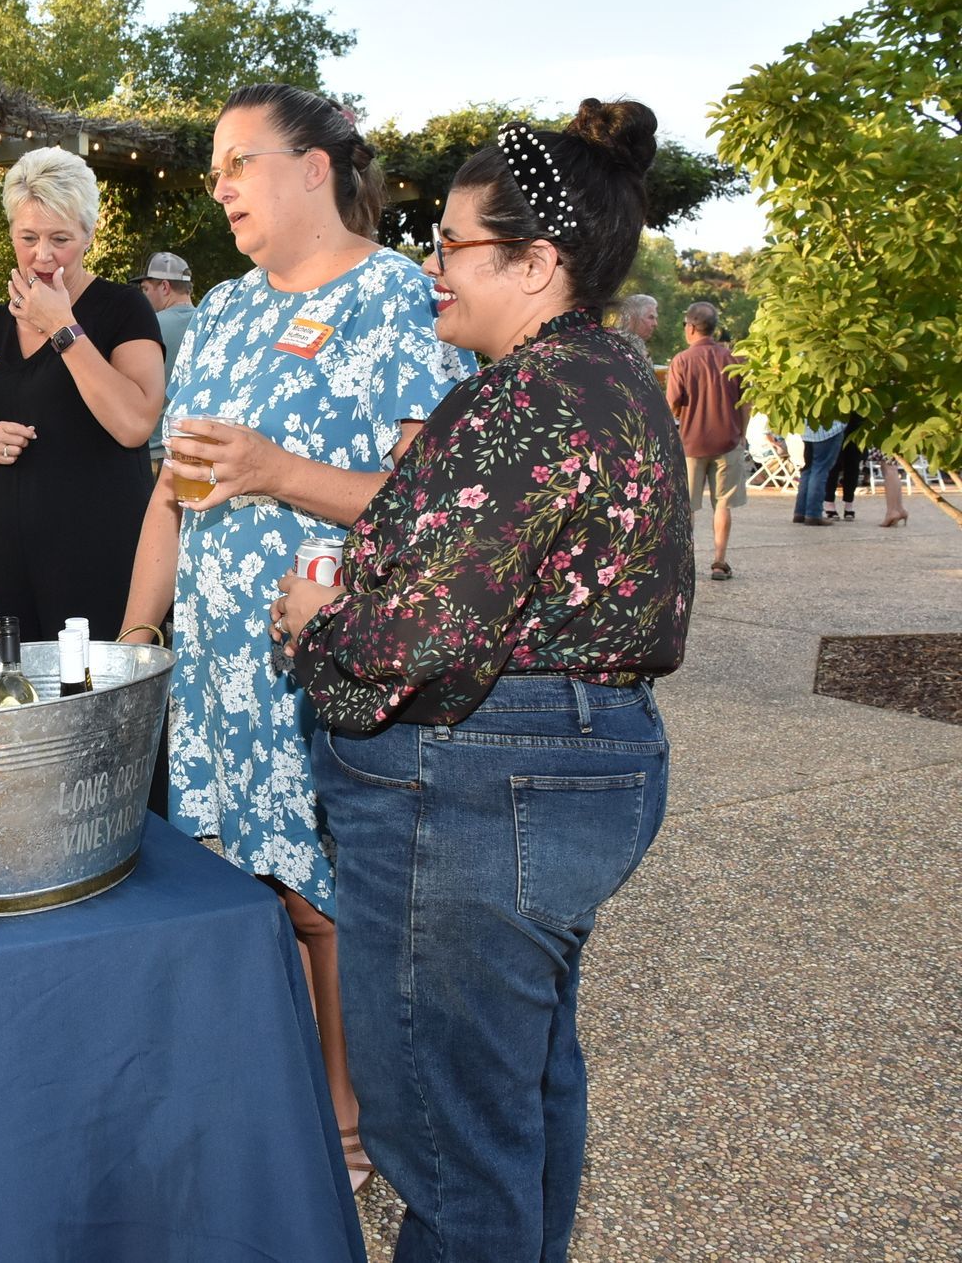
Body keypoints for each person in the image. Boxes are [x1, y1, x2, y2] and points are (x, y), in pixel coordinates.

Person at [276, 100, 692, 1262]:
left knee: (454, 1148)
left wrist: (316, 624)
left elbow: (419, 639)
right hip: (571, 761)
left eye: (453, 244)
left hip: (471, 781)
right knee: (520, 1098)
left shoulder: (522, 395)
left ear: (537, 261)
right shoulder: (614, 373)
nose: (432, 267)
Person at [120, 82, 473, 1195]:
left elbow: (437, 509)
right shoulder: (220, 310)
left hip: (328, 661)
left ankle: (350, 1119)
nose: (219, 185)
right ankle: (265, 1094)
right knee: (237, 880)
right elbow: (171, 495)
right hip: (219, 666)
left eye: (240, 162)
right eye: (214, 167)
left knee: (325, 896)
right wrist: (140, 630)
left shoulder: (399, 300)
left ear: (314, 168)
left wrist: (279, 473)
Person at [0, 147, 165, 640]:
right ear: (11, 236)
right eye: (29, 238)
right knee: (8, 704)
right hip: (0, 570)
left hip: (97, 564)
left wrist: (62, 326)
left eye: (60, 239)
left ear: (88, 235)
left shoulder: (122, 309)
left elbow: (135, 425)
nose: (43, 255)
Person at [667, 300, 750, 579]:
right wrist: (743, 434)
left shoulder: (682, 360)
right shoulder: (734, 360)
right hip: (728, 440)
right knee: (723, 504)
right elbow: (745, 402)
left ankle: (683, 562)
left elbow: (672, 404)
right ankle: (719, 560)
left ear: (690, 327)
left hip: (691, 442)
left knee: (687, 506)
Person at [131, 251, 198, 465]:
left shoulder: (147, 326)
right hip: (197, 451)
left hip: (155, 453)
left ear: (165, 287)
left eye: (145, 289)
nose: (143, 296)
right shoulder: (210, 325)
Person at [794, 417, 847, 525]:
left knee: (808, 470)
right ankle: (813, 514)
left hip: (807, 428)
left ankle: (800, 512)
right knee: (820, 469)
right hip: (828, 429)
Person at [610, 291, 657, 361]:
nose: (655, 324)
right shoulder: (617, 345)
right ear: (632, 318)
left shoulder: (637, 344)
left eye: (655, 318)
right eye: (651, 317)